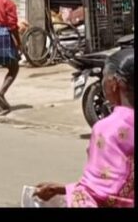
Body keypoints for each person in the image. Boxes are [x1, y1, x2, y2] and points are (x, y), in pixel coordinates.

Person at [34, 48, 133, 207]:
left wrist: (71, 193)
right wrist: (62, 189)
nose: (102, 83)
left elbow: (101, 195)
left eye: (104, 77)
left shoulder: (107, 129)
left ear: (114, 84)